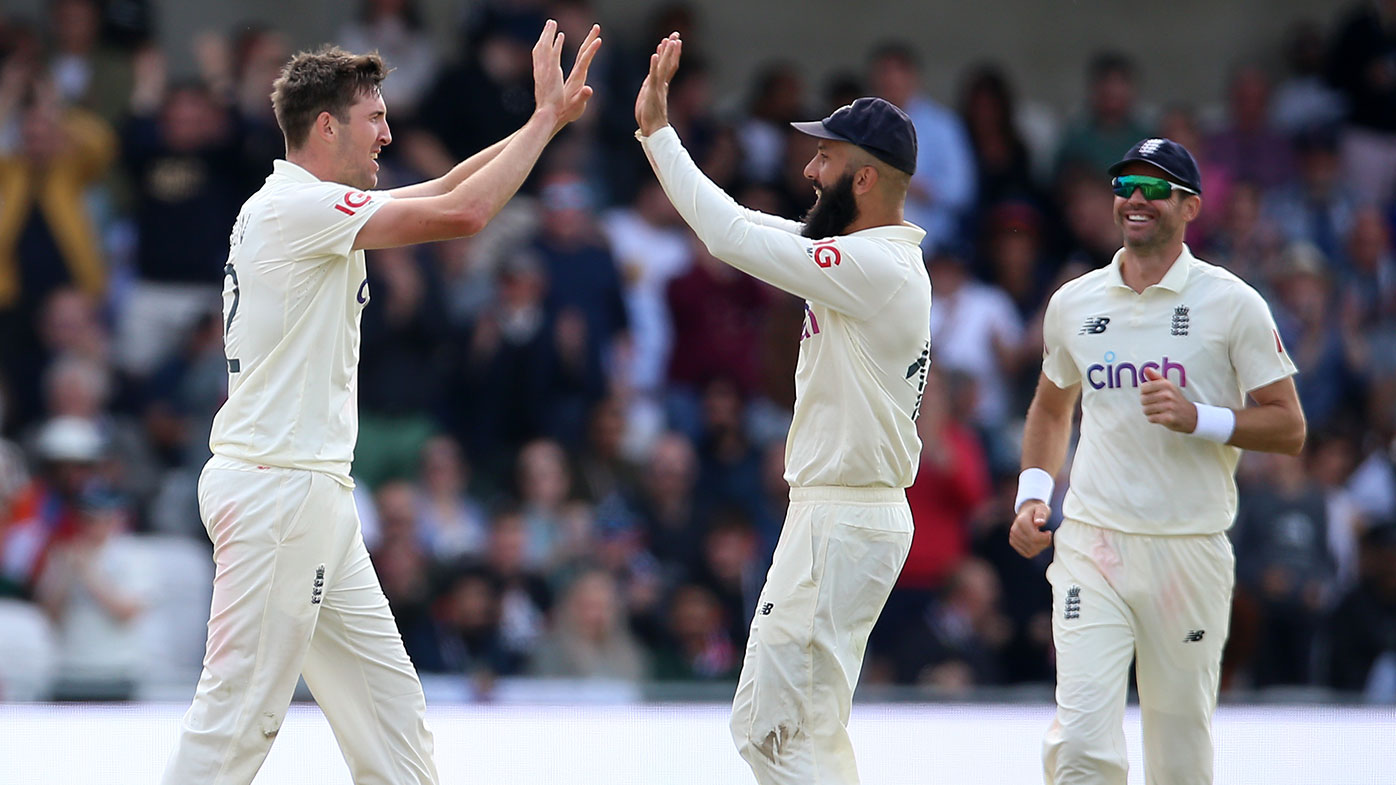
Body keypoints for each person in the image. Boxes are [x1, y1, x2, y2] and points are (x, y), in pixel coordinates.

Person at [161, 21, 602, 785]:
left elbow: (445, 189)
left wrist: (542, 122)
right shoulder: (295, 210)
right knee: (234, 725)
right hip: (277, 491)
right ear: (326, 125)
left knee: (393, 725)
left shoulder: (307, 207)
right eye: (375, 119)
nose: (389, 135)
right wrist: (540, 124)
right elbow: (464, 215)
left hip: (311, 491)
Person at [635, 34, 932, 785]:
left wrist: (658, 133)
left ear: (863, 179)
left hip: (843, 516)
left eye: (825, 159)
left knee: (779, 731)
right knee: (795, 730)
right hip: (837, 515)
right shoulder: (862, 259)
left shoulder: (875, 266)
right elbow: (748, 224)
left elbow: (728, 235)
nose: (808, 169)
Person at [1010, 137, 1306, 785]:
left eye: (1153, 188)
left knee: (1178, 755)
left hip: (1189, 549)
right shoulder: (1074, 302)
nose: (1135, 199)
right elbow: (1052, 408)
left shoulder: (1233, 303)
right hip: (1094, 544)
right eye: (1125, 185)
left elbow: (1289, 426)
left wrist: (1200, 417)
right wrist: (1033, 493)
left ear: (1190, 206)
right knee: (1083, 744)